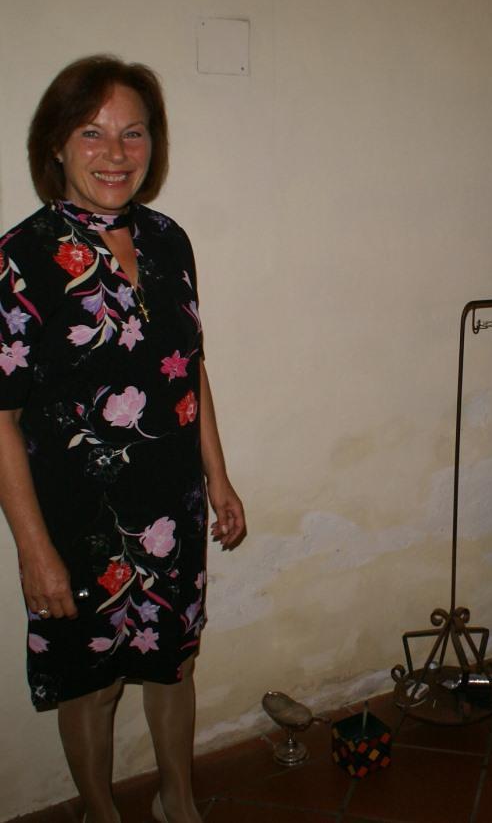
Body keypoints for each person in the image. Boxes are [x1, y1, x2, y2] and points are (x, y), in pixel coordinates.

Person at [0, 56, 246, 822]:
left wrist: (218, 477)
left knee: (173, 665)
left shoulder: (170, 241)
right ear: (56, 145)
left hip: (171, 504)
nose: (115, 152)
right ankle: (101, 813)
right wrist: (33, 549)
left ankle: (179, 800)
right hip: (76, 521)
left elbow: (188, 367)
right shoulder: (23, 257)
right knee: (95, 683)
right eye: (92, 132)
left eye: (133, 133)